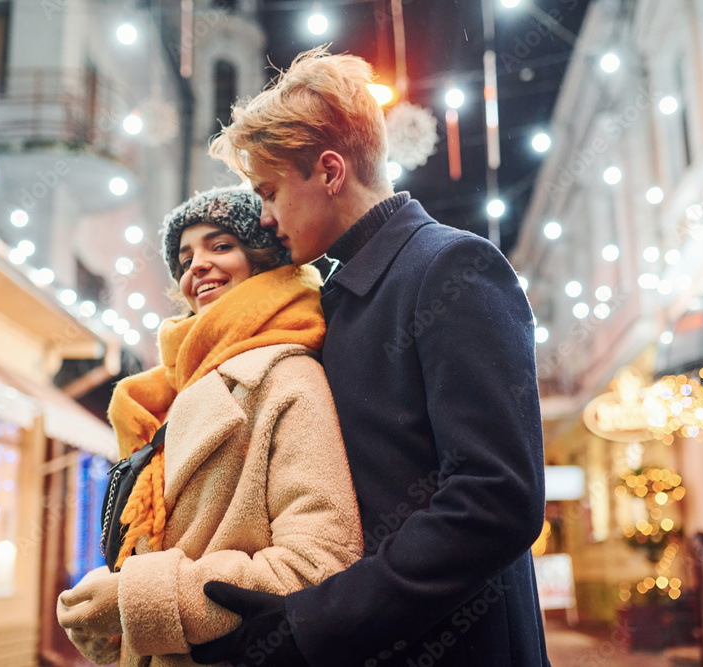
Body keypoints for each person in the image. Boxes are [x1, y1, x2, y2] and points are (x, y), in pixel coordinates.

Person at [190, 47, 549, 667]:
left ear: (330, 172)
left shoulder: (450, 267)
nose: (265, 218)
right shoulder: (334, 297)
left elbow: (496, 499)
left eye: (270, 191)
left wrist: (316, 623)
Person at [55, 185, 363, 667]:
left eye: (220, 246)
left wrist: (133, 602)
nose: (196, 265)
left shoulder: (285, 377)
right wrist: (116, 620)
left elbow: (318, 566)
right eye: (184, 257)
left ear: (262, 260)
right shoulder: (171, 393)